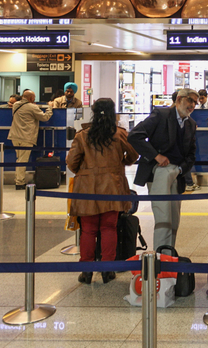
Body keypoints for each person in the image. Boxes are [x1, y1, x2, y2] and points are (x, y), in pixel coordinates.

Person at [67, 98, 138, 284]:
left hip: (87, 189)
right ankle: (108, 270)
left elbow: (71, 162)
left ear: (93, 112)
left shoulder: (82, 135)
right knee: (109, 228)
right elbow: (133, 155)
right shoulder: (119, 134)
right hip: (113, 187)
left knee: (88, 230)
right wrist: (120, 164)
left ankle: (87, 271)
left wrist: (85, 173)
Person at [129, 88, 199, 251]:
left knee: (174, 219)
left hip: (177, 174)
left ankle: (168, 254)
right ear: (180, 99)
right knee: (163, 217)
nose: (193, 105)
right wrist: (156, 156)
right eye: (190, 100)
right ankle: (160, 259)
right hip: (158, 173)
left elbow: (191, 155)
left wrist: (181, 170)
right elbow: (135, 135)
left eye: (195, 102)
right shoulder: (161, 115)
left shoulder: (191, 124)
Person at [8, 90, 53, 190]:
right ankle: (19, 183)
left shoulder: (16, 105)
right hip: (26, 137)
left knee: (19, 159)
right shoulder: (33, 107)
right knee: (22, 160)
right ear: (31, 98)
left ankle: (18, 179)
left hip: (15, 136)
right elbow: (45, 117)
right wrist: (50, 107)